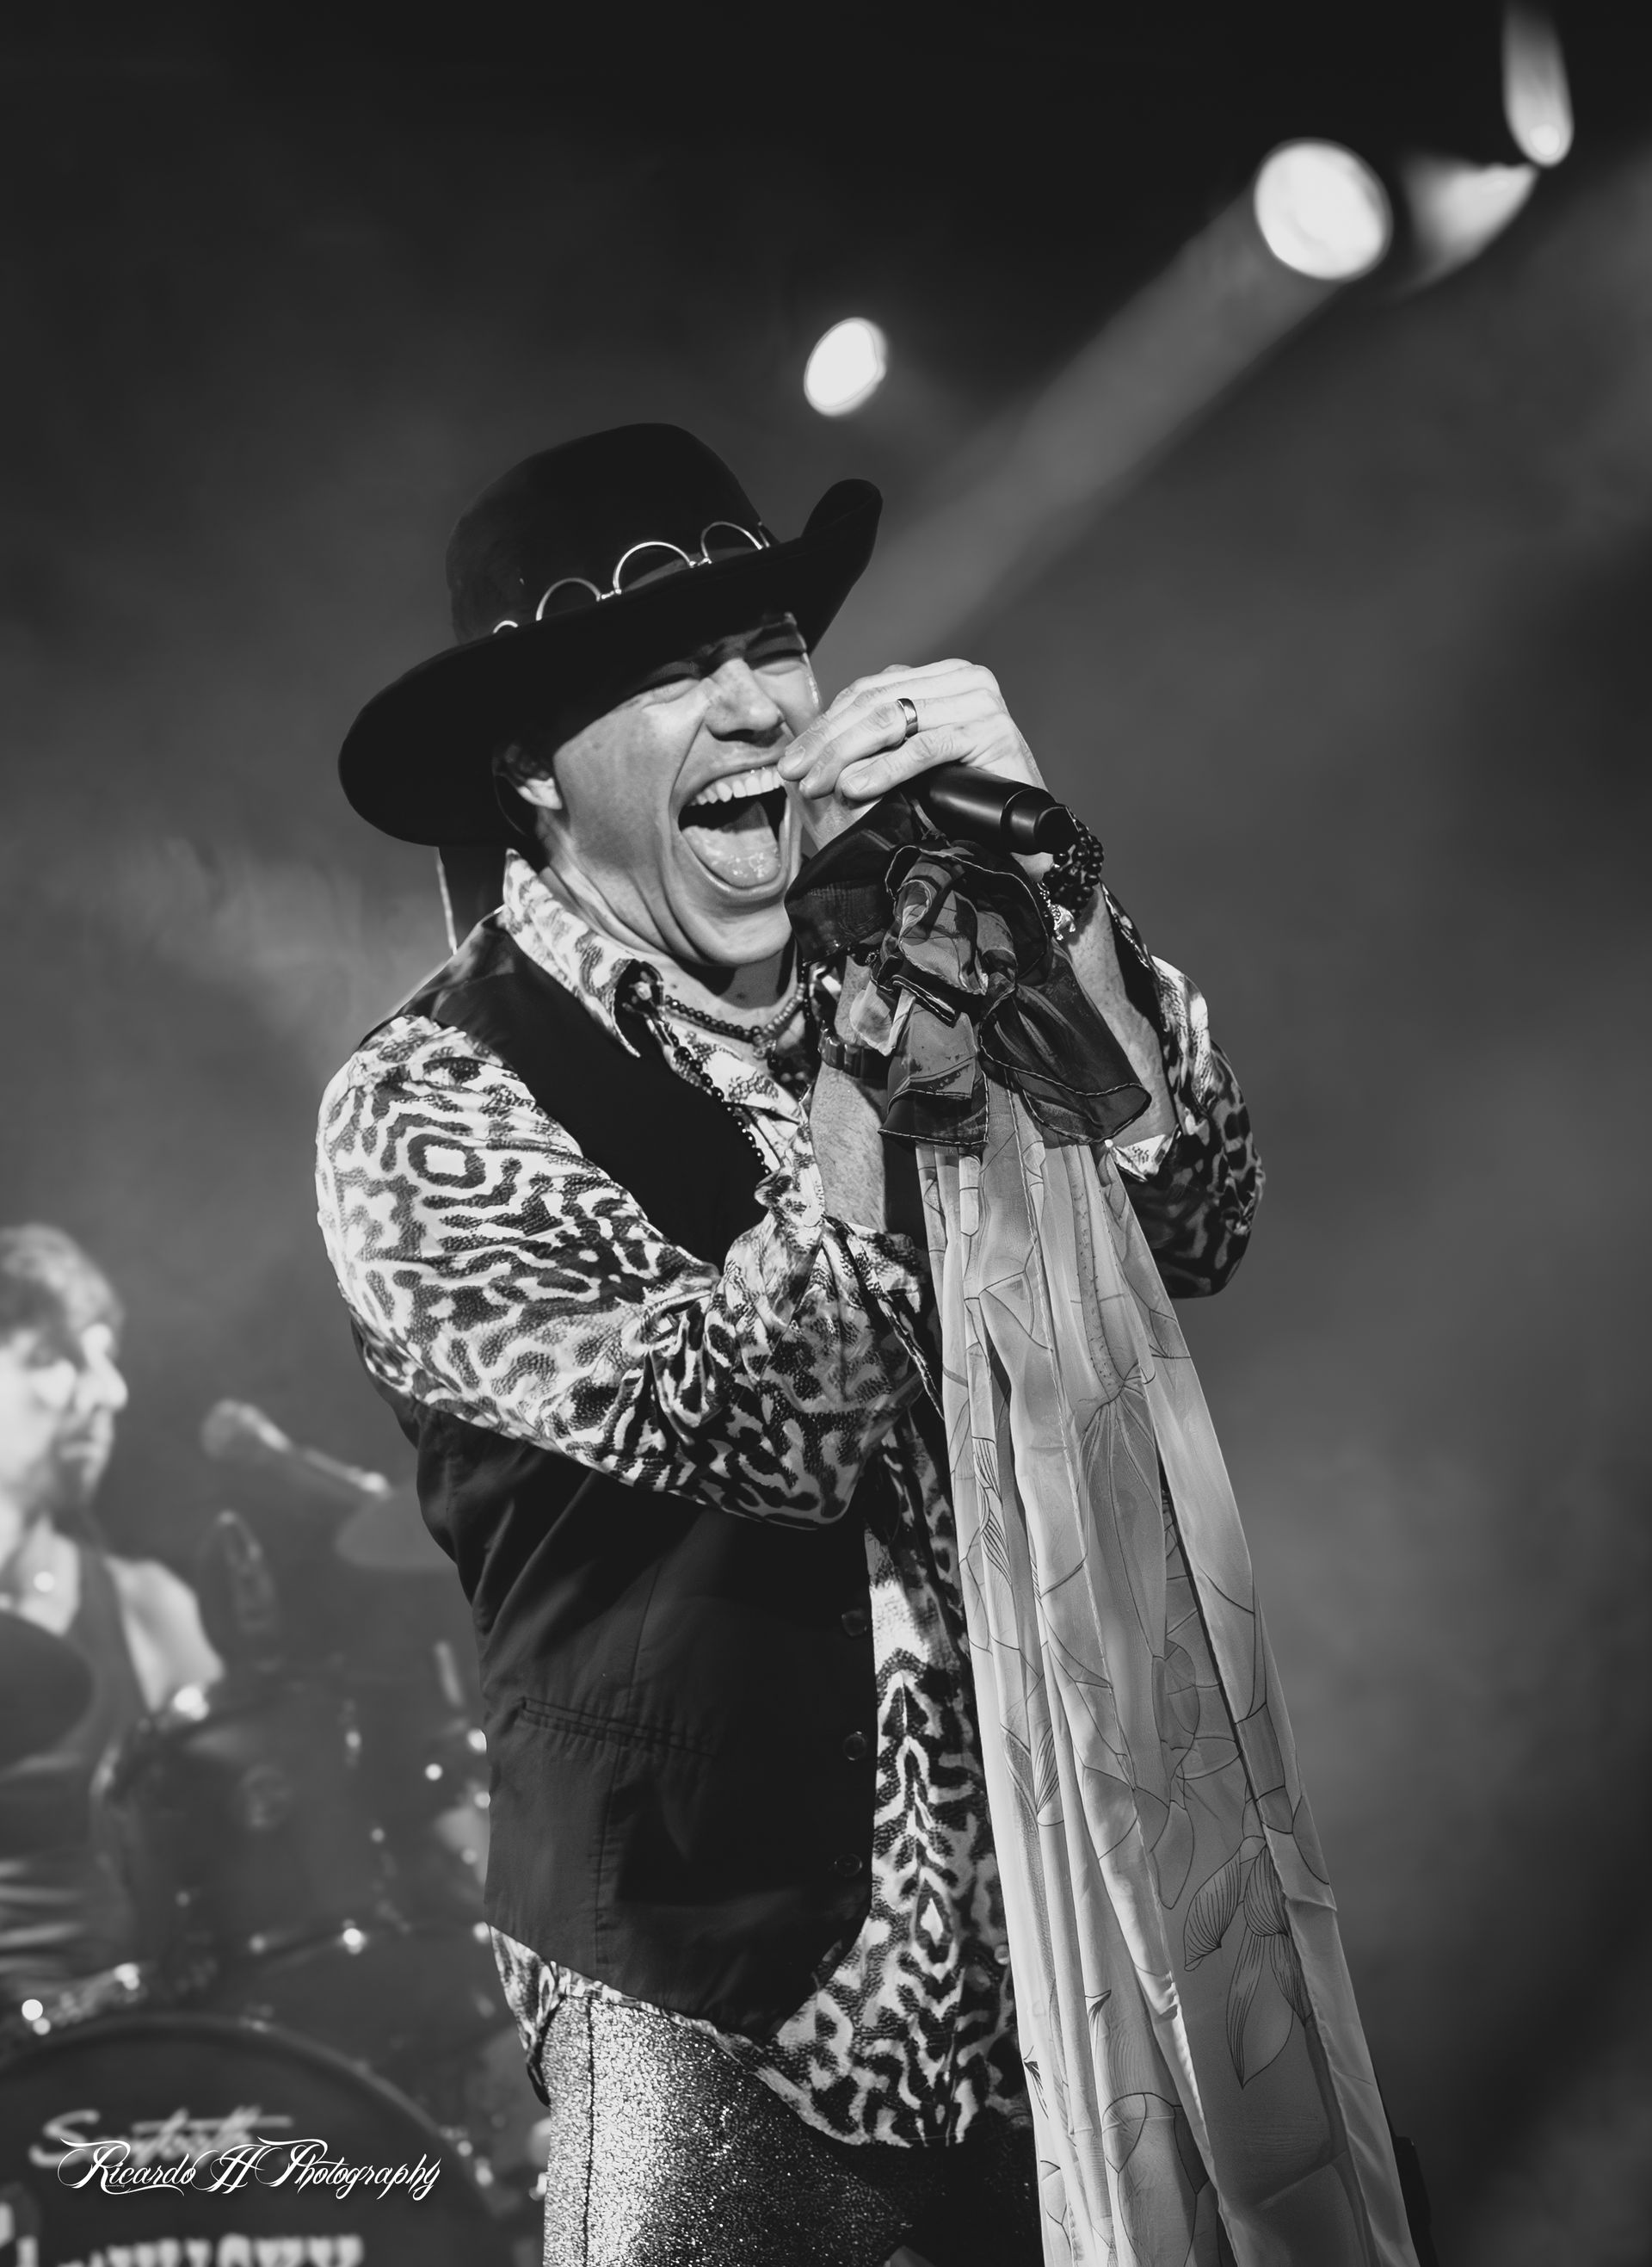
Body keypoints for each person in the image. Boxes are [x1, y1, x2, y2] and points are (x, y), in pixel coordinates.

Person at [316, 426, 1261, 2266]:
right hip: (733, 2028)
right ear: (529, 769)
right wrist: (900, 1037)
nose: (755, 708)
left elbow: (1196, 1210)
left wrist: (1047, 901)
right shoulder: (428, 1101)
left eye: (769, 648)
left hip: (1080, 1960)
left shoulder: (920, 952)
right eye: (675, 670)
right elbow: (778, 1414)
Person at [0, 1225, 222, 2003]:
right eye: (55, 1357)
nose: (110, 1392)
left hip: (128, 2073)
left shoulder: (151, 1610)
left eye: (107, 1357)